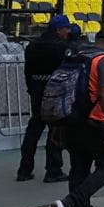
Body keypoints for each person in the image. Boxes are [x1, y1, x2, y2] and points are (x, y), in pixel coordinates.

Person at [51, 25, 104, 207]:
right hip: (97, 121)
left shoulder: (76, 55)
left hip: (72, 120)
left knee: (79, 168)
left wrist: (58, 124)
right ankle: (69, 204)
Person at [17, 15, 71, 183]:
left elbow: (27, 72)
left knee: (33, 130)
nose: (68, 31)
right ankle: (53, 170)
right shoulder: (62, 47)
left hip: (36, 90)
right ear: (58, 29)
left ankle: (24, 170)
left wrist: (32, 89)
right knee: (56, 130)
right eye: (66, 28)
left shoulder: (32, 46)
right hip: (55, 93)